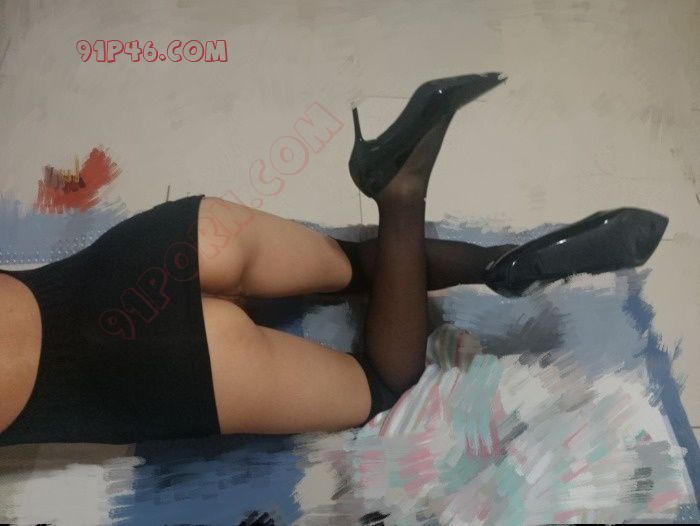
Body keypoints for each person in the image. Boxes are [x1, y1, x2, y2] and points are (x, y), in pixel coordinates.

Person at [0, 73, 667, 446]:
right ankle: (503, 262)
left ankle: (402, 195)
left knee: (379, 383)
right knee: (353, 265)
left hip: (148, 372)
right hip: (154, 252)